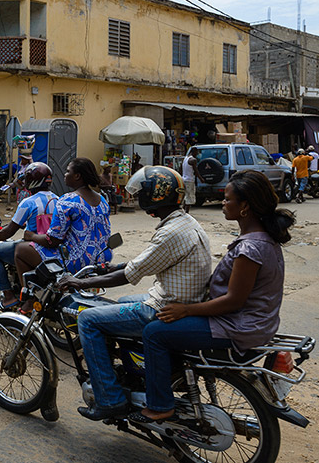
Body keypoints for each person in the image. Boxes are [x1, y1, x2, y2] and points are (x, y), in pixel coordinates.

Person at [136, 170, 294, 423]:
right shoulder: (263, 239)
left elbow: (234, 301)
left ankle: (160, 405)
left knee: (154, 332)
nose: (223, 203)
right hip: (256, 323)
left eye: (228, 199)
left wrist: (185, 310)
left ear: (245, 206)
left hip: (238, 326)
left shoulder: (250, 248)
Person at [58, 166, 212, 421]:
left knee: (88, 319)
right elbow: (148, 261)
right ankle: (134, 368)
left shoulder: (169, 233)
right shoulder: (184, 222)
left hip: (164, 307)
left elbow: (130, 275)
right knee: (122, 303)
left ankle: (109, 398)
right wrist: (112, 266)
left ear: (155, 196)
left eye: (143, 192)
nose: (139, 196)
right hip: (180, 297)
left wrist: (80, 283)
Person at [14, 158, 112, 308]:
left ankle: (30, 298)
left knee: (20, 250)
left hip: (74, 260)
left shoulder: (68, 201)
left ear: (77, 176)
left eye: (68, 171)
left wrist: (30, 235)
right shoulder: (102, 200)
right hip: (100, 258)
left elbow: (52, 240)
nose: (65, 175)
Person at [0, 162, 57, 310]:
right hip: (54, 250)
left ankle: (8, 296)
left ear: (32, 181)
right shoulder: (58, 200)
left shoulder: (28, 202)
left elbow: (8, 232)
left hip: (33, 248)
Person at [181, 147, 204, 214]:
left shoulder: (185, 159)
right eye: (197, 153)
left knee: (186, 196)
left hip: (184, 179)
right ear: (194, 152)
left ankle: (183, 212)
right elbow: (196, 171)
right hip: (189, 180)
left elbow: (180, 168)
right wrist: (201, 179)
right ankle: (186, 213)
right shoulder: (193, 160)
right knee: (190, 197)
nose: (197, 154)